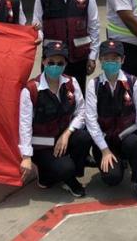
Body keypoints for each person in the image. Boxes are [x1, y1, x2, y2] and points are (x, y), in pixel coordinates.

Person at [85, 40, 137, 204]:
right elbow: (90, 120)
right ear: (100, 60)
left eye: (115, 59)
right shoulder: (94, 85)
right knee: (112, 179)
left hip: (126, 137)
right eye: (106, 59)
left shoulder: (133, 82)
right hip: (105, 141)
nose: (111, 62)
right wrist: (104, 150)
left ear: (123, 60)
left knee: (134, 144)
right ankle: (119, 162)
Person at [18, 42, 91, 198]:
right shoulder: (31, 90)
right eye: (51, 62)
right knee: (55, 175)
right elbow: (25, 126)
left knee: (84, 137)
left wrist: (67, 133)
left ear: (65, 64)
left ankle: (70, 177)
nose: (55, 67)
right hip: (42, 146)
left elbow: (82, 112)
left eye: (60, 63)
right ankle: (51, 172)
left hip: (62, 139)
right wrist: (26, 157)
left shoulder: (71, 83)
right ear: (43, 61)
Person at [32, 0, 100, 92]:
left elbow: (94, 26)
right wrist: (37, 36)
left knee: (77, 96)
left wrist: (92, 56)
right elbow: (37, 25)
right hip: (53, 60)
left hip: (78, 58)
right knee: (50, 96)